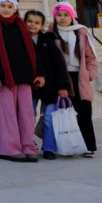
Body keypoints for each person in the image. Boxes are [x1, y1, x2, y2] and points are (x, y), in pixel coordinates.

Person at [0, 0, 39, 162]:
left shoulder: (20, 25)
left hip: (24, 75)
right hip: (4, 77)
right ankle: (10, 148)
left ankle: (28, 146)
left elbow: (30, 50)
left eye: (9, 6)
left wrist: (36, 73)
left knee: (27, 114)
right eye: (3, 6)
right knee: (7, 114)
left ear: (14, 8)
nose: (6, 9)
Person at [50, 2, 98, 157]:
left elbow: (90, 57)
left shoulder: (80, 33)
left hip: (80, 78)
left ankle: (89, 146)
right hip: (62, 78)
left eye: (66, 15)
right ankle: (68, 145)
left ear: (72, 16)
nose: (62, 18)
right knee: (65, 112)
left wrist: (90, 74)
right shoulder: (51, 34)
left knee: (84, 112)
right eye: (59, 15)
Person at [24, 10, 70, 160]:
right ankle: (28, 144)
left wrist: (63, 86)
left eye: (37, 22)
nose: (32, 25)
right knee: (28, 116)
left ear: (42, 25)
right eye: (30, 21)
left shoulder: (48, 41)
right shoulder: (20, 40)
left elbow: (59, 64)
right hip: (29, 86)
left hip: (50, 86)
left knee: (49, 117)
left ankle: (49, 147)